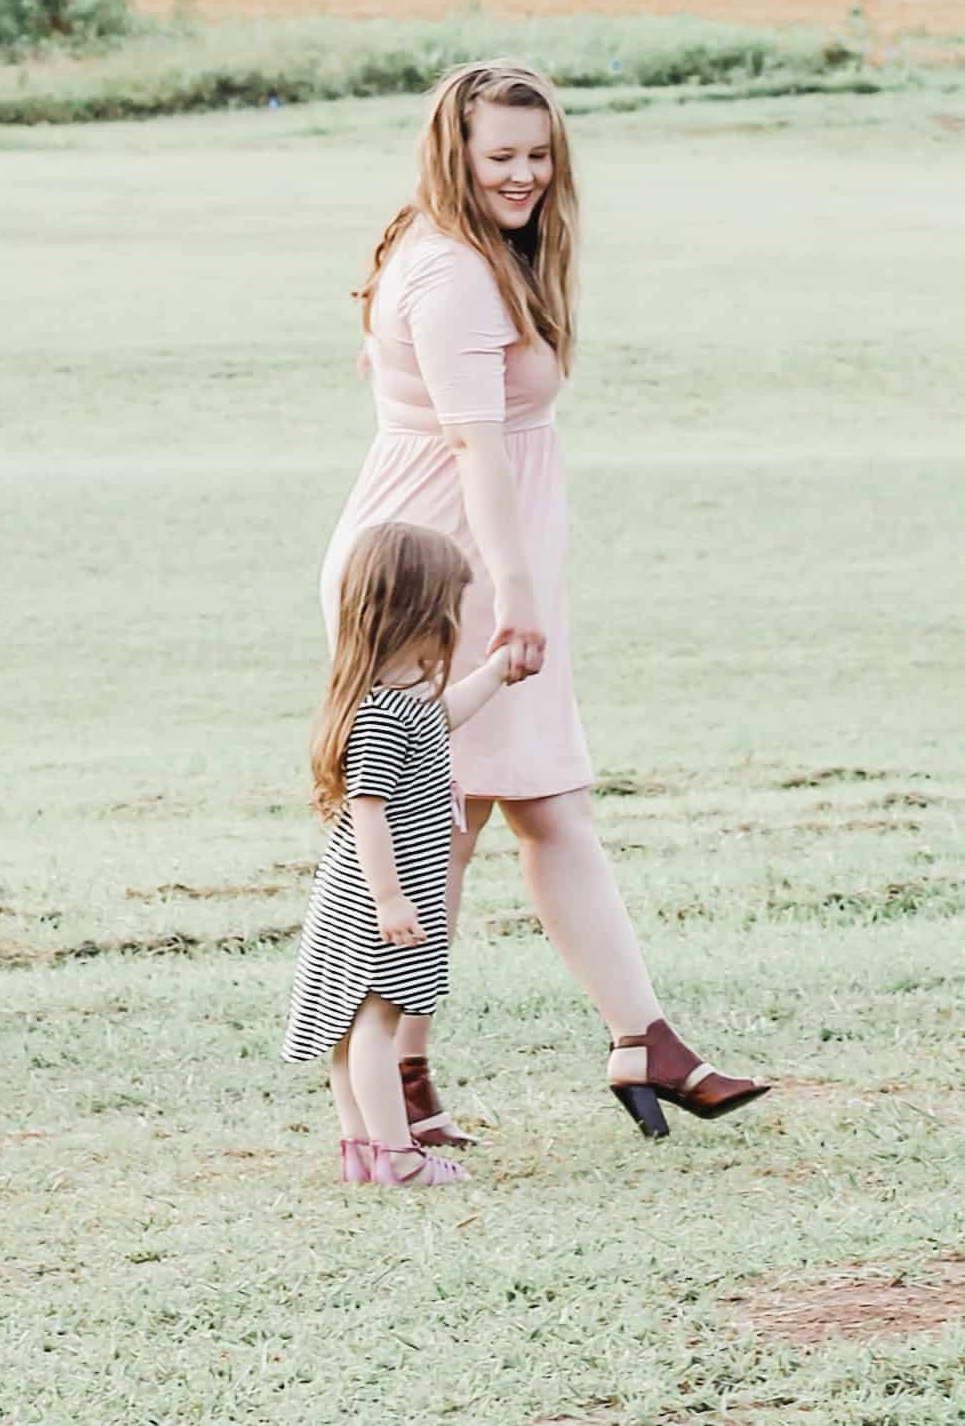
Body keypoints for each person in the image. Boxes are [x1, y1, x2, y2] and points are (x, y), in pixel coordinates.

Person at [319, 60, 770, 1142]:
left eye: (537, 155)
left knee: (512, 809)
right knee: (469, 817)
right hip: (449, 574)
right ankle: (437, 1070)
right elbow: (475, 444)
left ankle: (611, 1043)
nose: (523, 176)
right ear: (452, 155)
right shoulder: (455, 277)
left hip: (460, 558)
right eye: (499, 158)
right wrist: (514, 595)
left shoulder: (455, 249)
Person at [284, 521, 513, 1186]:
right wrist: (390, 898)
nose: (458, 625)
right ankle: (399, 1158)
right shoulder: (384, 712)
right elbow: (369, 807)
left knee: (351, 1024)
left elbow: (441, 719)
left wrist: (497, 670)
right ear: (422, 613)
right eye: (453, 609)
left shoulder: (402, 698)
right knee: (376, 1025)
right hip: (378, 892)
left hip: (367, 889)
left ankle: (360, 1150)